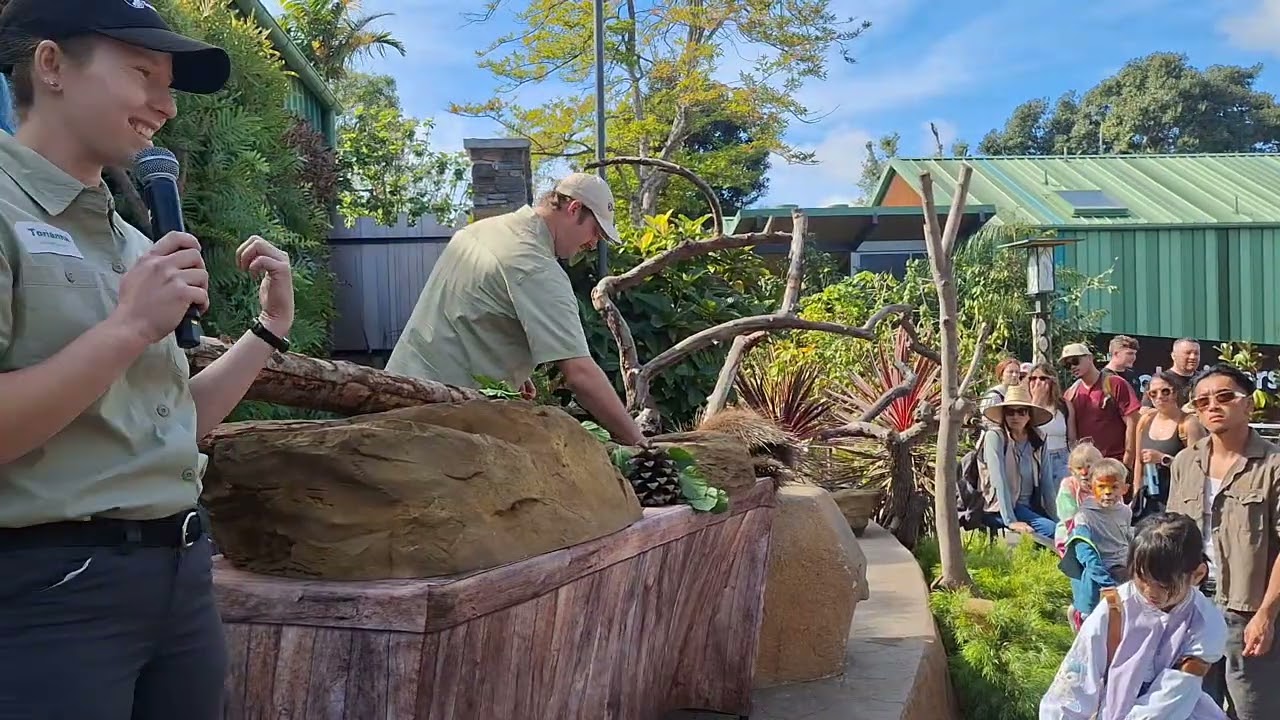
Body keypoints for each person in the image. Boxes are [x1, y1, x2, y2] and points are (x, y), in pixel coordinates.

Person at [0, 1, 296, 717]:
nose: (164, 105)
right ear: (50, 66)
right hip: (50, 596)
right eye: (142, 74)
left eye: (169, 84)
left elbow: (167, 425)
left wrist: (269, 331)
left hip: (182, 582)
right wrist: (129, 327)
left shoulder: (136, 244)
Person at [386, 172, 648, 445]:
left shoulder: (482, 230)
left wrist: (510, 368)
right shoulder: (536, 268)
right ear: (574, 209)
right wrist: (638, 441)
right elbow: (580, 374)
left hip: (396, 389)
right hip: (441, 423)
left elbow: (467, 306)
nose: (594, 244)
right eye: (596, 231)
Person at [1169, 364, 1280, 720]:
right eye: (1202, 401)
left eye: (1224, 396)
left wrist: (1266, 614)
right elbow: (1173, 535)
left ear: (1247, 404)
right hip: (1189, 607)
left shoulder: (1273, 465)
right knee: (1193, 707)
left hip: (1246, 611)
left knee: (1253, 708)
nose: (1212, 406)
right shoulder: (1185, 462)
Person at [1041, 512, 1228, 720]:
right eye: (1142, 579)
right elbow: (1078, 677)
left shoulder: (1205, 622)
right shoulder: (1115, 610)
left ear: (1197, 575)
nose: (1150, 592)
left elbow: (1174, 694)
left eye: (1163, 585)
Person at [1060, 459, 1134, 631]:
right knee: (1095, 624)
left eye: (1114, 487)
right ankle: (1081, 614)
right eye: (1102, 487)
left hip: (1124, 568)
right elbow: (1085, 552)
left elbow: (1126, 541)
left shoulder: (1125, 512)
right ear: (1092, 488)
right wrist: (1107, 584)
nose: (1108, 492)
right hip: (1100, 572)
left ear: (1125, 488)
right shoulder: (1084, 516)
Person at [978, 384, 1058, 539]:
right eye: (1010, 412)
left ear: (1029, 415)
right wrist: (1010, 521)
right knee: (1051, 530)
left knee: (1061, 530)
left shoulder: (1038, 438)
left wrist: (1058, 519)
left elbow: (1047, 483)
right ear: (1003, 415)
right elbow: (998, 480)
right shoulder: (995, 437)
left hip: (1031, 505)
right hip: (999, 507)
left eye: (1021, 412)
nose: (1015, 417)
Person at [1132, 371, 1204, 521]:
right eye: (1153, 393)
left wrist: (1163, 459)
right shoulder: (1145, 420)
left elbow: (1197, 468)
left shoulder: (1189, 424)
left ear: (1175, 392)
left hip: (1178, 500)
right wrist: (1135, 495)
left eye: (1165, 391)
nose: (1159, 397)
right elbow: (1138, 462)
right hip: (1149, 500)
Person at [1062, 342, 1141, 469]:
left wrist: (1128, 460)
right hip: (1086, 468)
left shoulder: (1114, 383)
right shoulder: (1071, 393)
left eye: (1075, 361)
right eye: (1067, 365)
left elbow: (1134, 421)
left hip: (1114, 463)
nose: (1072, 367)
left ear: (1089, 358)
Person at [1028, 361, 1077, 515]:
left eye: (1042, 378)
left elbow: (1072, 438)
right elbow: (1028, 431)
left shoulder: (1063, 405)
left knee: (1064, 506)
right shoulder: (1025, 405)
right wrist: (1036, 401)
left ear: (1052, 381)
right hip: (1038, 458)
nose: (1037, 382)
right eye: (1032, 378)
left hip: (1062, 457)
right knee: (1043, 503)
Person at [1054, 441, 1104, 555]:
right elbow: (1069, 519)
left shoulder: (1106, 485)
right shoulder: (1068, 486)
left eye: (1089, 467)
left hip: (1103, 532)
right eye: (1079, 468)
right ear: (1071, 470)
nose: (1084, 472)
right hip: (1074, 534)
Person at [1146, 338, 1202, 409]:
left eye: (1196, 353)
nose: (1193, 357)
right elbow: (1145, 411)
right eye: (1188, 353)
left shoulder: (1203, 379)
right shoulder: (1160, 381)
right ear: (1173, 356)